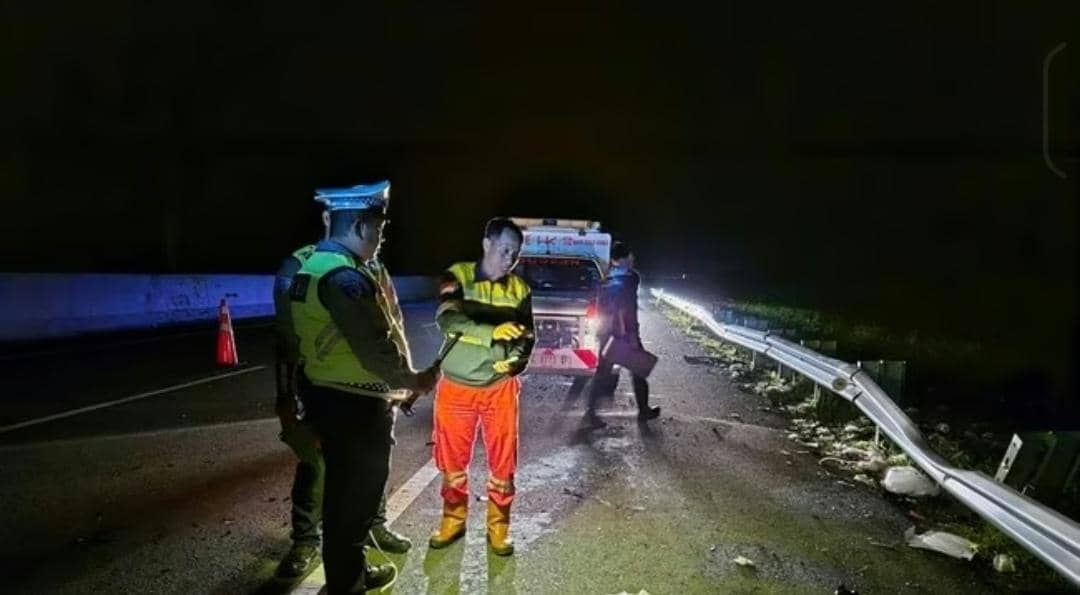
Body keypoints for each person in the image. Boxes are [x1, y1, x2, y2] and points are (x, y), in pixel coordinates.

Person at [289, 181, 437, 593]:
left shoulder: (312, 266)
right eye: (379, 229)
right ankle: (347, 584)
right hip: (355, 408)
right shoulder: (345, 279)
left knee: (342, 499)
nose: (381, 237)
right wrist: (415, 381)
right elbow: (375, 349)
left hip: (330, 397)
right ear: (358, 226)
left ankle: (349, 571)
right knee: (352, 506)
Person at [271, 212, 414, 578]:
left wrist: (404, 381)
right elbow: (287, 337)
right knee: (318, 464)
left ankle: (372, 527)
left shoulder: (373, 267)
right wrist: (286, 396)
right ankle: (305, 540)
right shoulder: (301, 265)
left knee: (372, 465)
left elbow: (393, 324)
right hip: (325, 387)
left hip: (375, 391)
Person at [428, 217, 535, 556]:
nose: (510, 260)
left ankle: (499, 526)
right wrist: (492, 332)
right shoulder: (456, 276)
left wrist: (517, 361)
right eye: (505, 250)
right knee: (452, 461)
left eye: (515, 254)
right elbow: (447, 319)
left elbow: (528, 336)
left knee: (503, 462)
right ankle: (453, 519)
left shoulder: (520, 290)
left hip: (499, 387)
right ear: (486, 243)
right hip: (456, 387)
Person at [585, 241, 660, 428]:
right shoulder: (629, 280)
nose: (632, 260)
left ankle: (593, 413)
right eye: (629, 257)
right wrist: (632, 336)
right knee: (636, 371)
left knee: (606, 373)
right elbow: (627, 310)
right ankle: (642, 411)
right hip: (623, 334)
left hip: (607, 333)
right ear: (621, 259)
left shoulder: (607, 279)